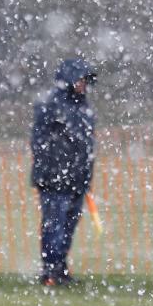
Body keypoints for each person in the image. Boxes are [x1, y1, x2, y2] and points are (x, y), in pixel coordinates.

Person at [30, 57, 97, 285]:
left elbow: (86, 144)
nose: (83, 84)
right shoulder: (50, 104)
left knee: (68, 228)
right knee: (54, 226)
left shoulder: (84, 107)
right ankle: (50, 271)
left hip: (77, 179)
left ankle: (60, 268)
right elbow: (38, 142)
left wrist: (84, 174)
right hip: (54, 180)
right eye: (80, 78)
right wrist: (55, 169)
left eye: (85, 79)